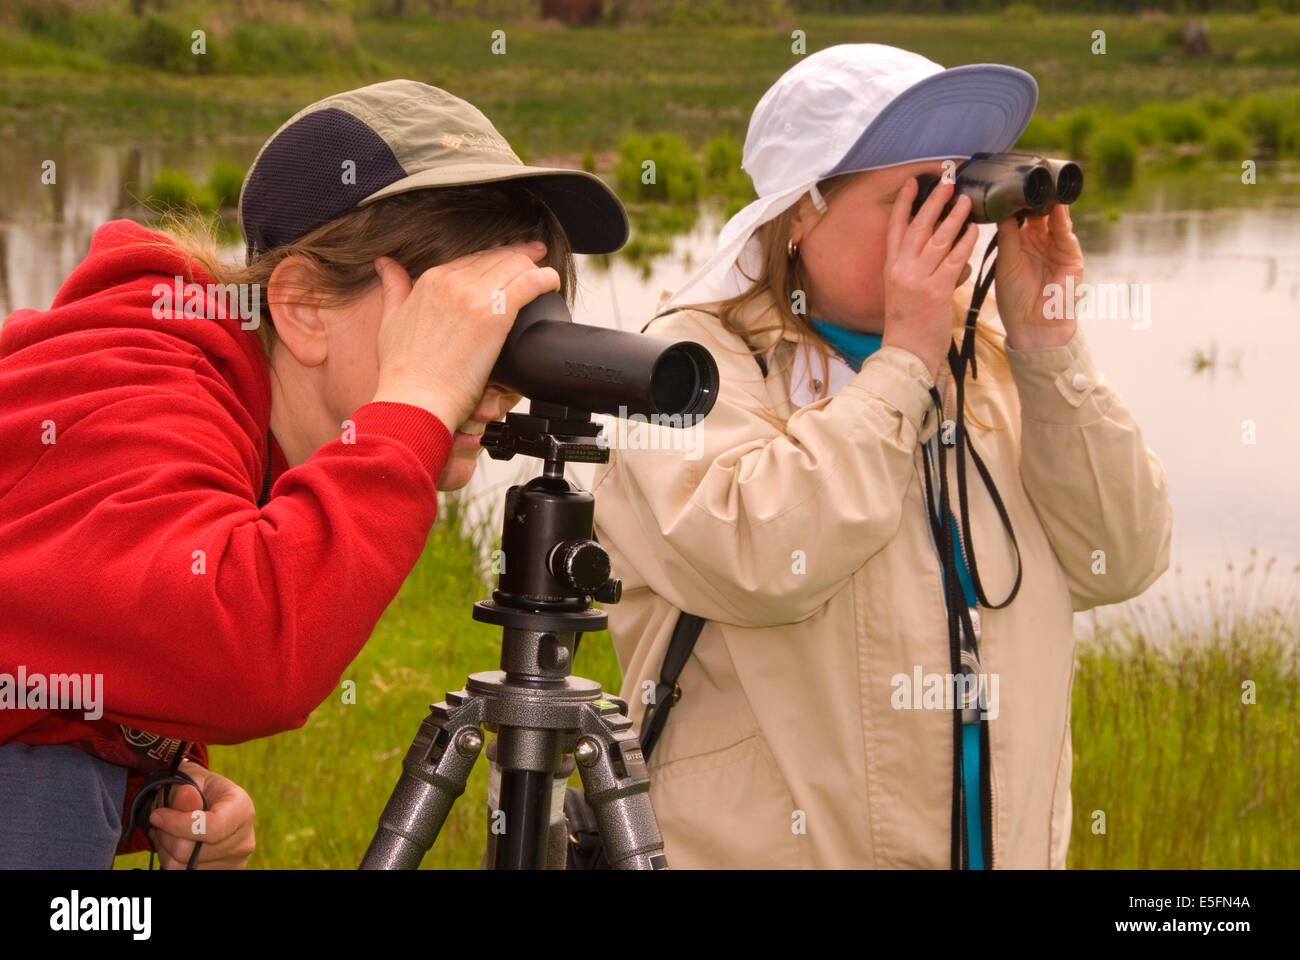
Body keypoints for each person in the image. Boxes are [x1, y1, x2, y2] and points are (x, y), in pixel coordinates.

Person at [0, 79, 628, 868]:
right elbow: (245, 659)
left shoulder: (211, 397)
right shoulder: (127, 388)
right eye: (457, 320)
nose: (495, 382)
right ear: (300, 307)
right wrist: (417, 400)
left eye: (510, 327)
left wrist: (141, 792)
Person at [592, 44, 1173, 868]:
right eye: (914, 201)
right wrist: (902, 364)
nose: (948, 232)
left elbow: (1125, 558)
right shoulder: (686, 366)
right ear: (801, 212)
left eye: (959, 196)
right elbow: (757, 559)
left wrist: (1049, 346)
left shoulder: (1000, 367)